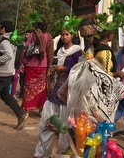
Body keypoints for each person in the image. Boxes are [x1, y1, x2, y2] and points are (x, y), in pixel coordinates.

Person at [34, 28, 82, 157]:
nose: (64, 37)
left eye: (67, 34)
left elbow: (81, 68)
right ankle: (40, 152)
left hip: (70, 90)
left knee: (68, 124)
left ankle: (69, 150)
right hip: (57, 89)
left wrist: (65, 68)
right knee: (48, 121)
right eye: (62, 34)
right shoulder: (59, 51)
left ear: (72, 35)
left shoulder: (77, 51)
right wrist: (54, 69)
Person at [21, 21, 53, 113]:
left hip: (30, 65)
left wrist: (22, 62)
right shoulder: (49, 36)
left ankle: (26, 109)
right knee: (42, 88)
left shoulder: (33, 35)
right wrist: (49, 66)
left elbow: (25, 49)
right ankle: (40, 109)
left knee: (28, 87)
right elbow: (50, 52)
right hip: (43, 65)